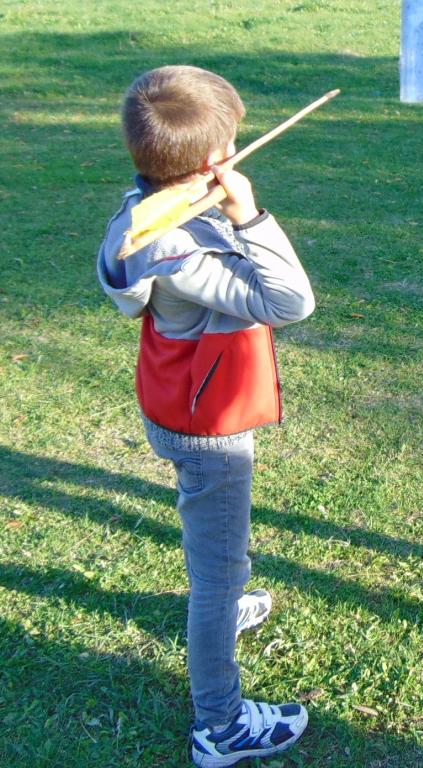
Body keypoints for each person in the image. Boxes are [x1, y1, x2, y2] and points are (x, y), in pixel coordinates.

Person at [97, 65, 316, 766]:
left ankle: (224, 611)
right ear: (214, 160)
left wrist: (208, 203)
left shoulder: (142, 207)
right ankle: (221, 726)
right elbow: (289, 301)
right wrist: (247, 216)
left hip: (175, 403)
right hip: (208, 427)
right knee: (218, 573)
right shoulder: (181, 244)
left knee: (218, 563)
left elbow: (120, 277)